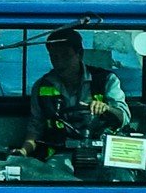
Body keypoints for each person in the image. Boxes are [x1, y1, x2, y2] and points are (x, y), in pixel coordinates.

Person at [24, 29, 129, 162]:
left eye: (65, 56)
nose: (59, 62)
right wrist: (23, 151)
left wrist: (106, 108)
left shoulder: (107, 80)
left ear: (80, 54)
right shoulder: (41, 86)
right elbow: (35, 128)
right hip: (56, 157)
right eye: (54, 57)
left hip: (100, 154)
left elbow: (123, 117)